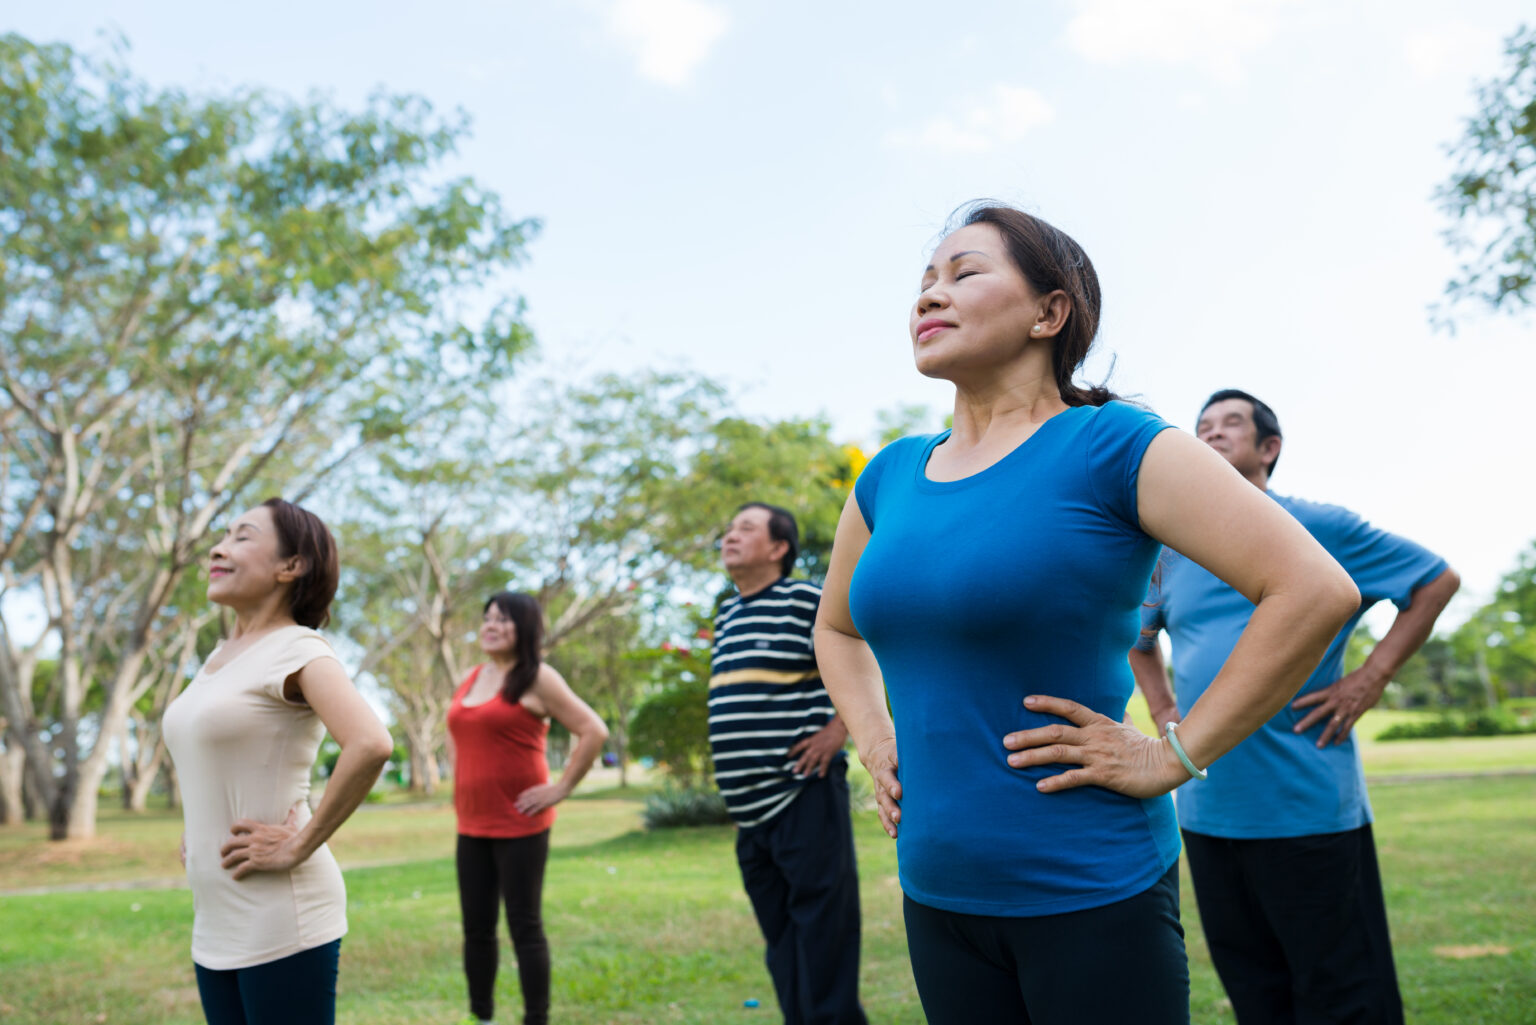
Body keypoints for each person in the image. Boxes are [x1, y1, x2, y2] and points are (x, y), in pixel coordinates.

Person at [812, 202, 1363, 1025]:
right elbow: (837, 625)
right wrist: (873, 734)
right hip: (937, 892)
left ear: (1049, 311)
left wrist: (1173, 754)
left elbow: (1316, 590)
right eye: (925, 281)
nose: (929, 296)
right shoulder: (890, 474)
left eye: (964, 273)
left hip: (1092, 888)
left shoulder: (1115, 445)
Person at [1131, 389, 1460, 1025]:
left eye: (1232, 424)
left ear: (1269, 448)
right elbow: (1139, 642)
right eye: (1202, 427)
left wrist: (1370, 677)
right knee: (1257, 991)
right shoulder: (1172, 551)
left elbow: (1434, 580)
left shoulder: (1323, 527)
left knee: (1343, 995)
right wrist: (1163, 705)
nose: (1213, 434)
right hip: (1205, 807)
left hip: (1308, 806)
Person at [163, 498, 394, 1025]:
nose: (219, 548)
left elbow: (371, 743)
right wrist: (198, 825)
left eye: (242, 536)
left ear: (291, 566)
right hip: (215, 914)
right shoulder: (219, 659)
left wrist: (299, 842)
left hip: (281, 915)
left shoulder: (298, 649)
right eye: (222, 536)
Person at [709, 502, 867, 1025]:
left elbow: (863, 653)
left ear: (779, 548)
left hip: (803, 792)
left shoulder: (805, 598)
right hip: (749, 812)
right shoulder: (727, 612)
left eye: (745, 528)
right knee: (781, 942)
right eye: (730, 529)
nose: (730, 536)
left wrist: (837, 730)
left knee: (824, 935)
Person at [447, 591, 609, 1025]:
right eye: (487, 618)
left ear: (526, 627)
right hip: (472, 824)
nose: (491, 625)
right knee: (476, 929)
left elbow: (593, 730)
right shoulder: (470, 676)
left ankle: (536, 1018)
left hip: (521, 824)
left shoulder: (538, 678)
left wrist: (560, 789)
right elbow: (458, 733)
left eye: (503, 619)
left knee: (524, 926)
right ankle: (481, 1016)